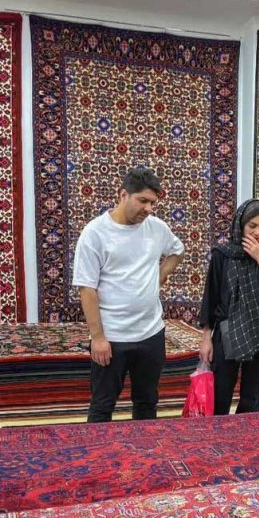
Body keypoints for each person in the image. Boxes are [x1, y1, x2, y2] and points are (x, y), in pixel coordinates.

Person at [73, 167, 184, 423]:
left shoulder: (157, 228)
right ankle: (98, 448)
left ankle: (145, 448)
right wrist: (98, 338)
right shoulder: (95, 233)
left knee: (147, 402)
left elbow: (178, 250)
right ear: (123, 194)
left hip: (151, 334)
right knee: (102, 405)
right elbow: (87, 289)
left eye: (152, 203)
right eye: (142, 201)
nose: (148, 209)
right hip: (112, 337)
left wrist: (159, 275)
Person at [198, 199, 259, 414]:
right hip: (228, 331)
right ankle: (220, 434)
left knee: (252, 399)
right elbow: (211, 297)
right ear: (240, 224)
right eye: (252, 226)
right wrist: (206, 339)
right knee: (220, 395)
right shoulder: (222, 254)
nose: (258, 233)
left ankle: (246, 434)